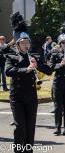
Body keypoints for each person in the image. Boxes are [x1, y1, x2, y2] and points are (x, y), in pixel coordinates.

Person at [5, 12, 52, 153]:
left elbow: (48, 71)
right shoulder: (11, 56)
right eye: (23, 43)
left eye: (28, 43)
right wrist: (26, 69)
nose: (26, 45)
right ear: (18, 45)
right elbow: (8, 71)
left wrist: (37, 65)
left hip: (31, 97)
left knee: (30, 128)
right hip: (17, 97)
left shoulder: (34, 56)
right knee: (20, 127)